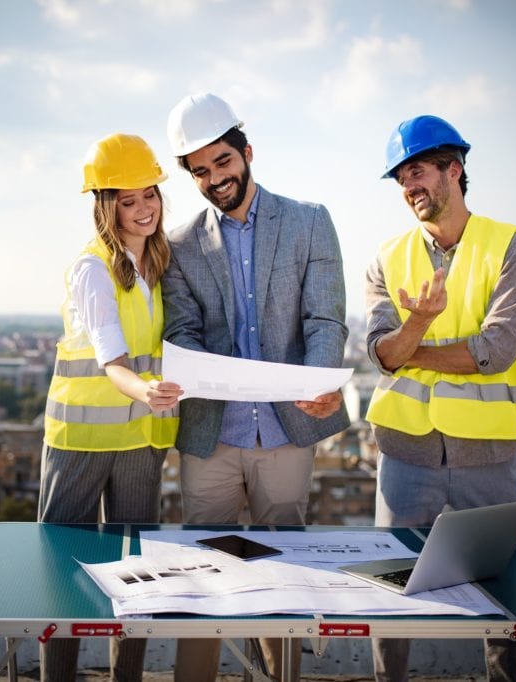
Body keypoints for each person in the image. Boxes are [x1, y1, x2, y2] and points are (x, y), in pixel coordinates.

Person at [162, 92, 349, 682]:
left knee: (282, 574)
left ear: (246, 152)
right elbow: (183, 329)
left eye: (222, 163)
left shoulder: (310, 221)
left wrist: (320, 381)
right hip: (212, 436)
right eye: (200, 172)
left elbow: (325, 320)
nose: (215, 179)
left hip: (287, 432)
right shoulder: (181, 243)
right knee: (201, 577)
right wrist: (191, 366)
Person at [364, 115, 516, 682]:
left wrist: (409, 345)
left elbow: (496, 351)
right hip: (405, 454)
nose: (409, 186)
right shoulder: (386, 258)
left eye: (417, 171)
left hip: (486, 455)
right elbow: (382, 351)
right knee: (394, 592)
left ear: (454, 170)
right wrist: (418, 323)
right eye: (400, 178)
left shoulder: (511, 247)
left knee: (502, 595)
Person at [38, 132, 183, 682]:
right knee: (65, 574)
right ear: (106, 205)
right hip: (82, 442)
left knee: (137, 577)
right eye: (128, 200)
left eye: (150, 195)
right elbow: (111, 359)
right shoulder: (93, 268)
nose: (144, 209)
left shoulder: (161, 263)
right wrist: (146, 390)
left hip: (141, 442)